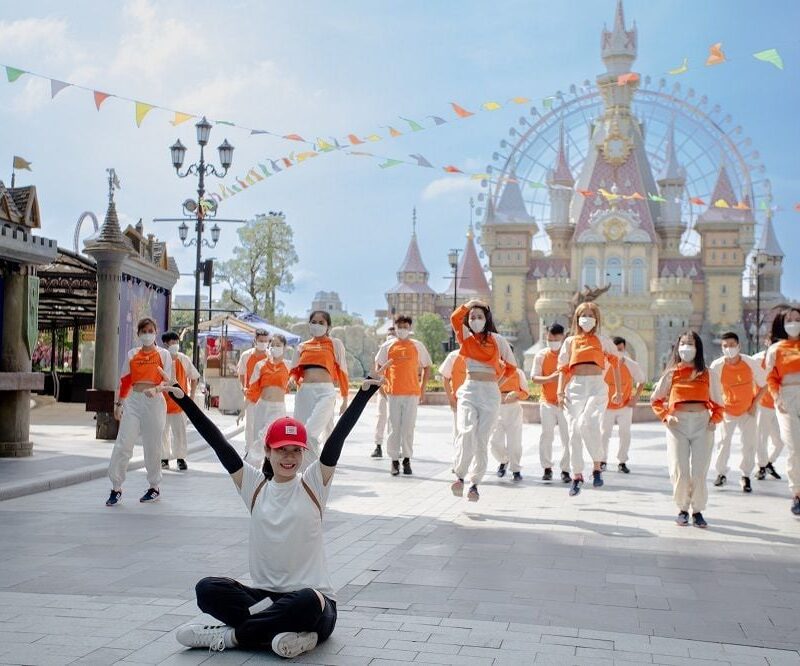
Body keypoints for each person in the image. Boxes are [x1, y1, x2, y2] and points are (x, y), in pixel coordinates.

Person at [157, 372, 381, 657]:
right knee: (208, 589)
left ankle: (232, 637)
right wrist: (184, 400)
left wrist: (363, 395)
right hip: (264, 601)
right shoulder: (255, 486)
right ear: (267, 451)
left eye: (296, 451)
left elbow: (337, 439)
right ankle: (290, 635)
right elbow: (219, 444)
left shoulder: (314, 483)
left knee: (308, 601)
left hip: (315, 605)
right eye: (281, 450)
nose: (289, 457)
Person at [651, 331, 723, 528]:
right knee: (680, 470)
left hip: (702, 424)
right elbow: (656, 400)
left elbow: (719, 404)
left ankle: (697, 511)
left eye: (690, 344)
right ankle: (682, 509)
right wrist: (666, 417)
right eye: (683, 343)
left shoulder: (708, 374)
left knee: (699, 471)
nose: (686, 348)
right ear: (678, 347)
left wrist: (714, 419)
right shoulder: (671, 373)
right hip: (677, 424)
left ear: (698, 347)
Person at [449, 299, 517, 502]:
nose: (476, 320)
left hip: (490, 393)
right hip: (469, 391)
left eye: (480, 317)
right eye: (472, 317)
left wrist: (497, 383)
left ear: (486, 319)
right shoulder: (466, 338)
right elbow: (454, 319)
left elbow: (511, 367)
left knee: (481, 439)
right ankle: (459, 476)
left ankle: (474, 484)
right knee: (466, 431)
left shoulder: (498, 340)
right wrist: (470, 304)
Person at [105, 317, 172, 506]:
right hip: (133, 402)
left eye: (151, 331)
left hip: (154, 402)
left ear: (156, 333)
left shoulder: (164, 354)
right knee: (124, 443)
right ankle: (116, 487)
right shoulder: (132, 354)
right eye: (144, 331)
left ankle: (154, 487)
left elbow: (168, 380)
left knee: (152, 445)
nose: (147, 334)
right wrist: (119, 404)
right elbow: (125, 381)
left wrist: (156, 389)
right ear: (138, 334)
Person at [557, 302, 622, 496]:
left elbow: (615, 364)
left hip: (596, 387)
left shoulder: (603, 340)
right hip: (575, 388)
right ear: (577, 319)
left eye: (590, 315)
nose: (587, 318)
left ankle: (596, 466)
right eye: (583, 315)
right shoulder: (570, 342)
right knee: (574, 430)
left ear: (596, 319)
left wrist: (618, 391)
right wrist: (560, 392)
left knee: (588, 424)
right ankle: (577, 475)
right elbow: (563, 368)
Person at [375, 316, 432, 476]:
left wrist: (422, 389)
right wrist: (381, 385)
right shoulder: (387, 346)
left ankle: (406, 459)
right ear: (395, 327)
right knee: (394, 427)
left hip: (412, 393)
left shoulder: (417, 345)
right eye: (399, 326)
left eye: (405, 326)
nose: (402, 329)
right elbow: (378, 365)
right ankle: (394, 460)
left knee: (408, 427)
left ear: (410, 328)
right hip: (393, 393)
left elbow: (427, 366)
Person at [710, 332, 767, 493]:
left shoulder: (750, 362)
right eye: (725, 346)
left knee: (749, 444)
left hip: (748, 410)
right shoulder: (717, 366)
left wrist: (754, 404)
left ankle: (745, 476)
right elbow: (711, 390)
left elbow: (764, 385)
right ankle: (721, 473)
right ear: (721, 348)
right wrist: (716, 409)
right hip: (727, 410)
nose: (729, 348)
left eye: (732, 345)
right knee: (723, 442)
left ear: (739, 346)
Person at [290, 311, 349, 463]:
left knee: (311, 433)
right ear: (309, 324)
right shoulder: (302, 346)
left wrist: (345, 399)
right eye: (314, 322)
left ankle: (318, 467)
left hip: (325, 392)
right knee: (300, 434)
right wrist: (291, 379)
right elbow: (294, 371)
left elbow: (343, 371)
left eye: (321, 323)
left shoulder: (335, 344)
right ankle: (305, 469)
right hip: (304, 393)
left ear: (328, 326)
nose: (317, 325)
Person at [764, 306, 800, 515]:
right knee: (794, 447)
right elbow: (771, 377)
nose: (794, 323)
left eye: (797, 319)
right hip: (787, 398)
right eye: (789, 320)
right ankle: (797, 493)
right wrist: (777, 397)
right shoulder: (776, 350)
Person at [531, 324, 571, 483]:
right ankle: (547, 468)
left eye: (555, 338)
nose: (552, 341)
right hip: (547, 402)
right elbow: (534, 378)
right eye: (549, 338)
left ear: (563, 337)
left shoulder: (569, 355)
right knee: (546, 435)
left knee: (567, 437)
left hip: (566, 403)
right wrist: (550, 378)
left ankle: (565, 470)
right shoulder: (541, 355)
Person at [600, 336, 645, 474]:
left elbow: (642, 381)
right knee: (604, 434)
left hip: (625, 406)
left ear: (624, 348)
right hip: (606, 406)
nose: (618, 352)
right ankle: (602, 461)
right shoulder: (603, 364)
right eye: (615, 350)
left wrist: (635, 398)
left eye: (620, 349)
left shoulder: (631, 365)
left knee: (625, 434)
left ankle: (622, 462)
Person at [246, 335, 292, 465]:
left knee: (265, 435)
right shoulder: (261, 365)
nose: (275, 347)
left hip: (278, 408)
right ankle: (258, 468)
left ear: (285, 347)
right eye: (273, 345)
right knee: (257, 437)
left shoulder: (289, 366)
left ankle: (249, 463)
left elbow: (300, 378)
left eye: (278, 345)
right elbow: (253, 388)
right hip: (261, 406)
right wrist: (244, 408)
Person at [161, 331, 200, 471]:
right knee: (162, 432)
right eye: (172, 342)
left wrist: (192, 397)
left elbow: (194, 377)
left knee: (180, 433)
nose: (175, 345)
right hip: (163, 402)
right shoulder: (161, 358)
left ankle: (180, 458)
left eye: (177, 342)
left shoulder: (183, 359)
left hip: (180, 403)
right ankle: (163, 458)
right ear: (166, 344)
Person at [490, 357, 530, 482]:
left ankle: (516, 470)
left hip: (513, 409)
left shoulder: (518, 372)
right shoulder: (492, 371)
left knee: (515, 441)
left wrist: (516, 393)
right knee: (494, 442)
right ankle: (504, 460)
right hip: (495, 409)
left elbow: (526, 393)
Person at [752, 336, 784, 481]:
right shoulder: (757, 360)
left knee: (780, 441)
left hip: (777, 407)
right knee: (761, 438)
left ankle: (768, 463)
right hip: (761, 406)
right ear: (767, 342)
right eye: (773, 342)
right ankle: (761, 467)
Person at [237, 329, 271, 456]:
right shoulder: (246, 355)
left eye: (266, 341)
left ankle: (264, 453)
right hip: (251, 397)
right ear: (255, 341)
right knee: (250, 426)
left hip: (266, 397)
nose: (263, 343)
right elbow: (241, 373)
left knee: (265, 426)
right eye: (261, 341)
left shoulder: (270, 356)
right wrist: (243, 388)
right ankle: (249, 452)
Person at [371, 325, 395, 458]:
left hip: (396, 391)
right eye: (389, 334)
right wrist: (380, 389)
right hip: (383, 389)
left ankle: (394, 447)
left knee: (395, 420)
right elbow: (377, 370)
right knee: (381, 417)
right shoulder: (383, 350)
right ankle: (378, 446)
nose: (391, 337)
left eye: (393, 334)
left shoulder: (399, 351)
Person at [440, 346, 466, 443]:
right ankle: (458, 452)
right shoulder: (454, 356)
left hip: (476, 401)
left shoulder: (480, 355)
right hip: (458, 401)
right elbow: (445, 377)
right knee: (458, 431)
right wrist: (451, 399)